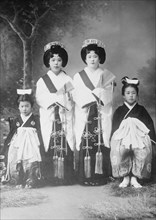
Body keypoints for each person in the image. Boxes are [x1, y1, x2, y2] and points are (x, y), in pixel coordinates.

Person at [73, 39, 116, 186]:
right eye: (89, 56)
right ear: (85, 58)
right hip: (85, 113)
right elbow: (76, 95)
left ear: (100, 58)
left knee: (101, 141)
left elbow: (109, 95)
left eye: (95, 56)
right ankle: (85, 177)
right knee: (85, 142)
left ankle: (100, 177)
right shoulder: (78, 76)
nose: (92, 59)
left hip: (101, 112)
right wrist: (92, 96)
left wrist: (99, 94)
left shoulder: (106, 74)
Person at [36, 41, 75, 185]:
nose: (56, 63)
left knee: (66, 142)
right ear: (48, 61)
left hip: (64, 116)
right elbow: (40, 97)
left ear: (63, 61)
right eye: (53, 60)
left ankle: (67, 177)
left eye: (59, 60)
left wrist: (64, 102)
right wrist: (54, 100)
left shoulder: (68, 79)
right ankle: (50, 177)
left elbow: (72, 98)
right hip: (51, 116)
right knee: (50, 143)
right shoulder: (42, 81)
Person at [110, 76, 156, 188]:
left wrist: (150, 139)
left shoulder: (141, 110)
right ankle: (125, 177)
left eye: (133, 93)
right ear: (123, 95)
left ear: (137, 95)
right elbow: (115, 128)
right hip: (123, 138)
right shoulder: (119, 111)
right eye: (128, 93)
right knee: (121, 150)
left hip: (139, 139)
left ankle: (135, 177)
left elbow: (149, 125)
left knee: (142, 151)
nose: (131, 95)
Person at [1, 90, 42, 188]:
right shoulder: (17, 120)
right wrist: (5, 148)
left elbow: (40, 133)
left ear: (31, 107)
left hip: (32, 143)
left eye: (27, 106)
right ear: (19, 107)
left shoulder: (35, 119)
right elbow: (11, 134)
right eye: (22, 106)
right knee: (18, 160)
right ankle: (19, 180)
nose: (24, 109)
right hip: (19, 143)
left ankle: (31, 180)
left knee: (31, 160)